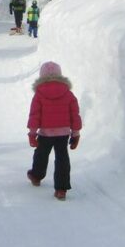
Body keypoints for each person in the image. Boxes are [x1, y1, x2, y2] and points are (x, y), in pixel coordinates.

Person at [26, 61, 82, 200]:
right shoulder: (68, 94)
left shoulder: (39, 94)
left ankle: (36, 176)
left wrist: (32, 133)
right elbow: (75, 115)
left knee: (41, 154)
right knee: (62, 159)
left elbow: (34, 115)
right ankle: (61, 189)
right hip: (63, 134)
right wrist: (76, 134)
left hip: (45, 133)